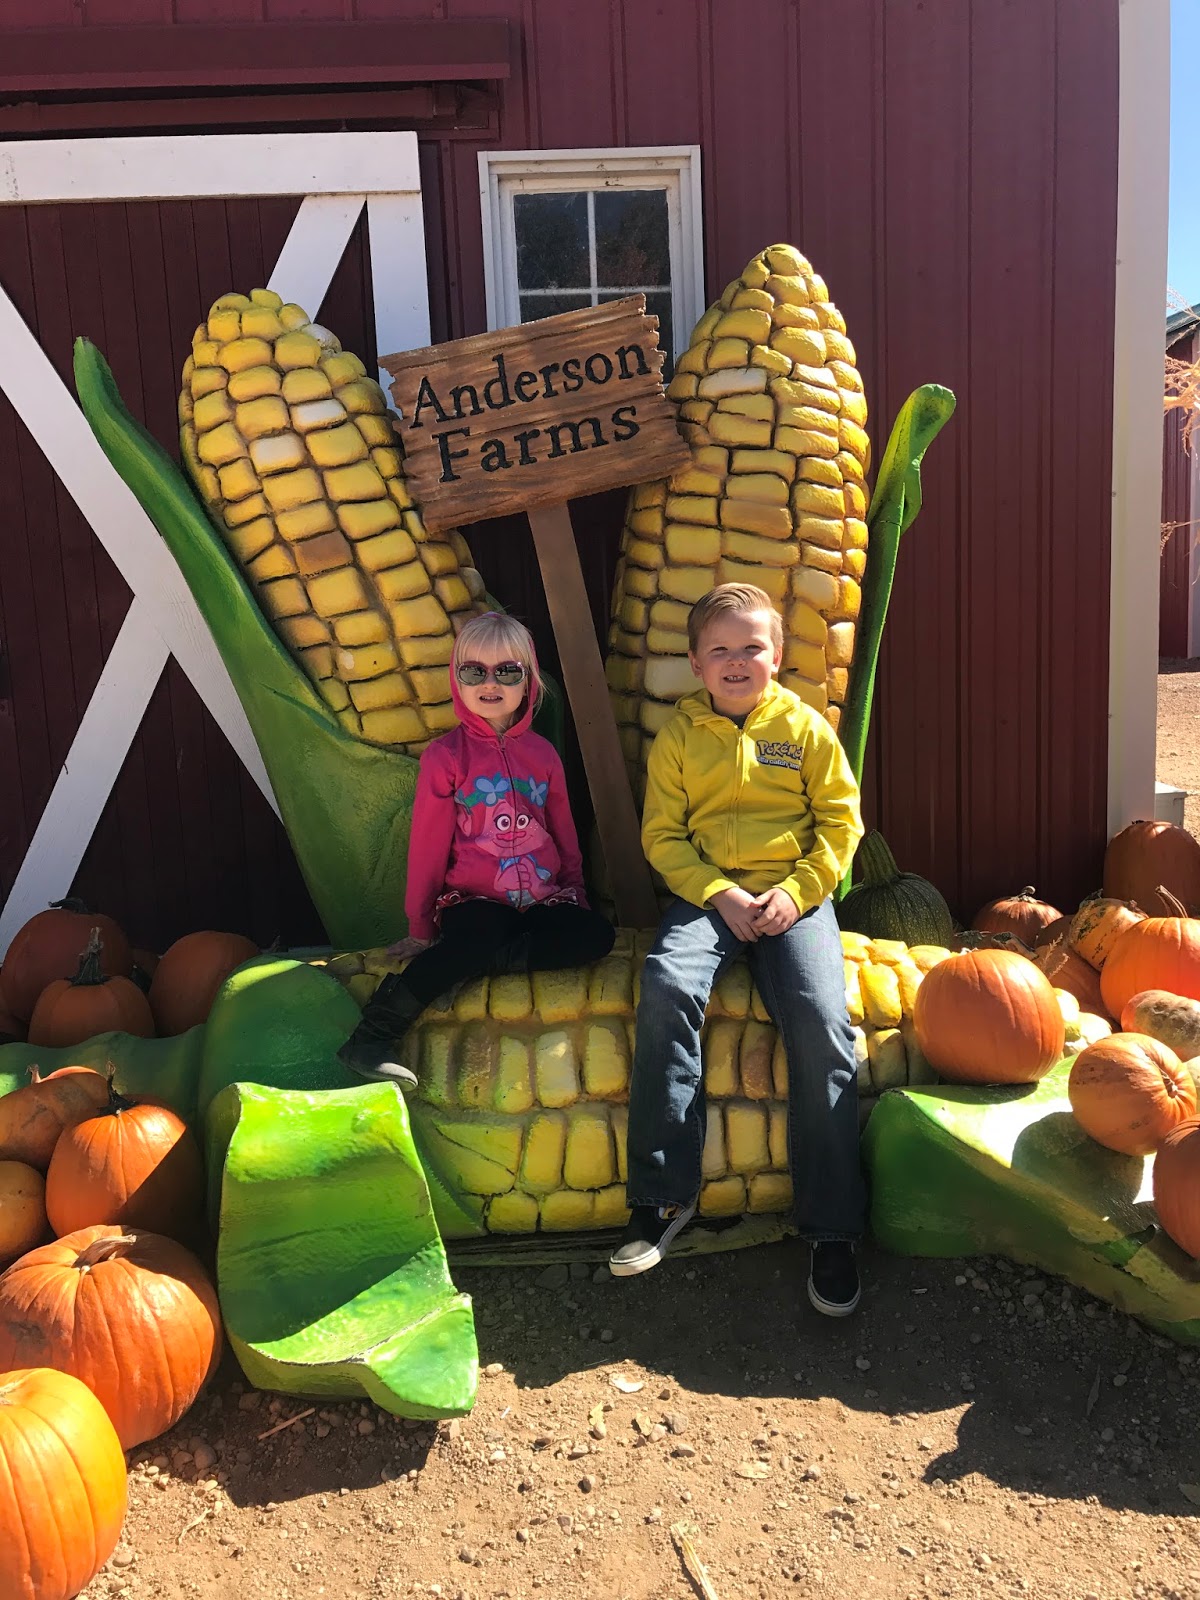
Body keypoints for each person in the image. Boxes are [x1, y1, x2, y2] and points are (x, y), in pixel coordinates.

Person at [609, 582, 867, 1316]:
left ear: (777, 657)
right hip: (709, 897)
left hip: (795, 897)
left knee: (822, 1024)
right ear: (695, 664)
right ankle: (660, 1199)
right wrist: (718, 891)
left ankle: (832, 1227)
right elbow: (662, 834)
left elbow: (840, 825)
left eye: (750, 647)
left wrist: (799, 890)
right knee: (666, 983)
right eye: (718, 649)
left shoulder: (807, 729)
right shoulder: (680, 738)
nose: (735, 660)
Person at [338, 611, 615, 1083]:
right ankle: (371, 1038)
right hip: (476, 898)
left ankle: (475, 961)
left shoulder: (543, 755)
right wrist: (420, 924)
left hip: (542, 898)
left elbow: (563, 831)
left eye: (507, 671)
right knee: (479, 933)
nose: (491, 683)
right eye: (474, 672)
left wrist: (575, 892)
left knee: (596, 936)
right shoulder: (446, 758)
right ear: (457, 679)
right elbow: (428, 844)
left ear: (526, 682)